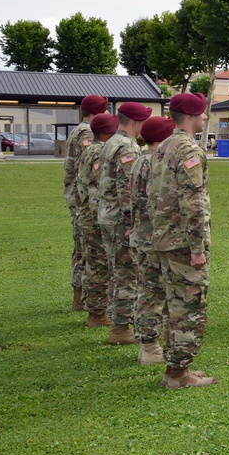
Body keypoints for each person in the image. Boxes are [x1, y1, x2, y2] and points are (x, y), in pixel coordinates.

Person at [148, 92, 216, 389]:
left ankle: (175, 369)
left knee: (173, 306)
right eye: (202, 113)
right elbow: (193, 203)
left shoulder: (163, 146)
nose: (204, 118)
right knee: (188, 307)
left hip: (164, 238)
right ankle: (178, 374)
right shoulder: (189, 150)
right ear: (190, 117)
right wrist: (198, 248)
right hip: (182, 243)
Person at [97, 102, 152, 346]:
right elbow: (127, 188)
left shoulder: (111, 142)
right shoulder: (128, 146)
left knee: (116, 269)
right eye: (142, 121)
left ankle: (117, 320)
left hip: (107, 214)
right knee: (126, 273)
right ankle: (120, 328)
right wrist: (134, 223)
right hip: (121, 219)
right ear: (134, 122)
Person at [130, 116, 176, 365]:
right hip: (154, 237)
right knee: (153, 294)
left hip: (143, 234)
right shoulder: (155, 162)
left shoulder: (141, 159)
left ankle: (147, 346)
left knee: (147, 291)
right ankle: (150, 348)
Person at [63, 94, 108, 311]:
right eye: (106, 109)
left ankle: (80, 297)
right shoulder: (87, 132)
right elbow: (89, 168)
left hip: (78, 198)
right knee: (86, 250)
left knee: (82, 249)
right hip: (83, 200)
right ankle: (81, 298)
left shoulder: (79, 129)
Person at [77, 113, 118, 327]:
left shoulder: (89, 150)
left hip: (88, 216)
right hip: (94, 219)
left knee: (94, 265)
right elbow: (96, 189)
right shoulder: (99, 152)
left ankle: (96, 310)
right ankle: (97, 314)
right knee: (99, 268)